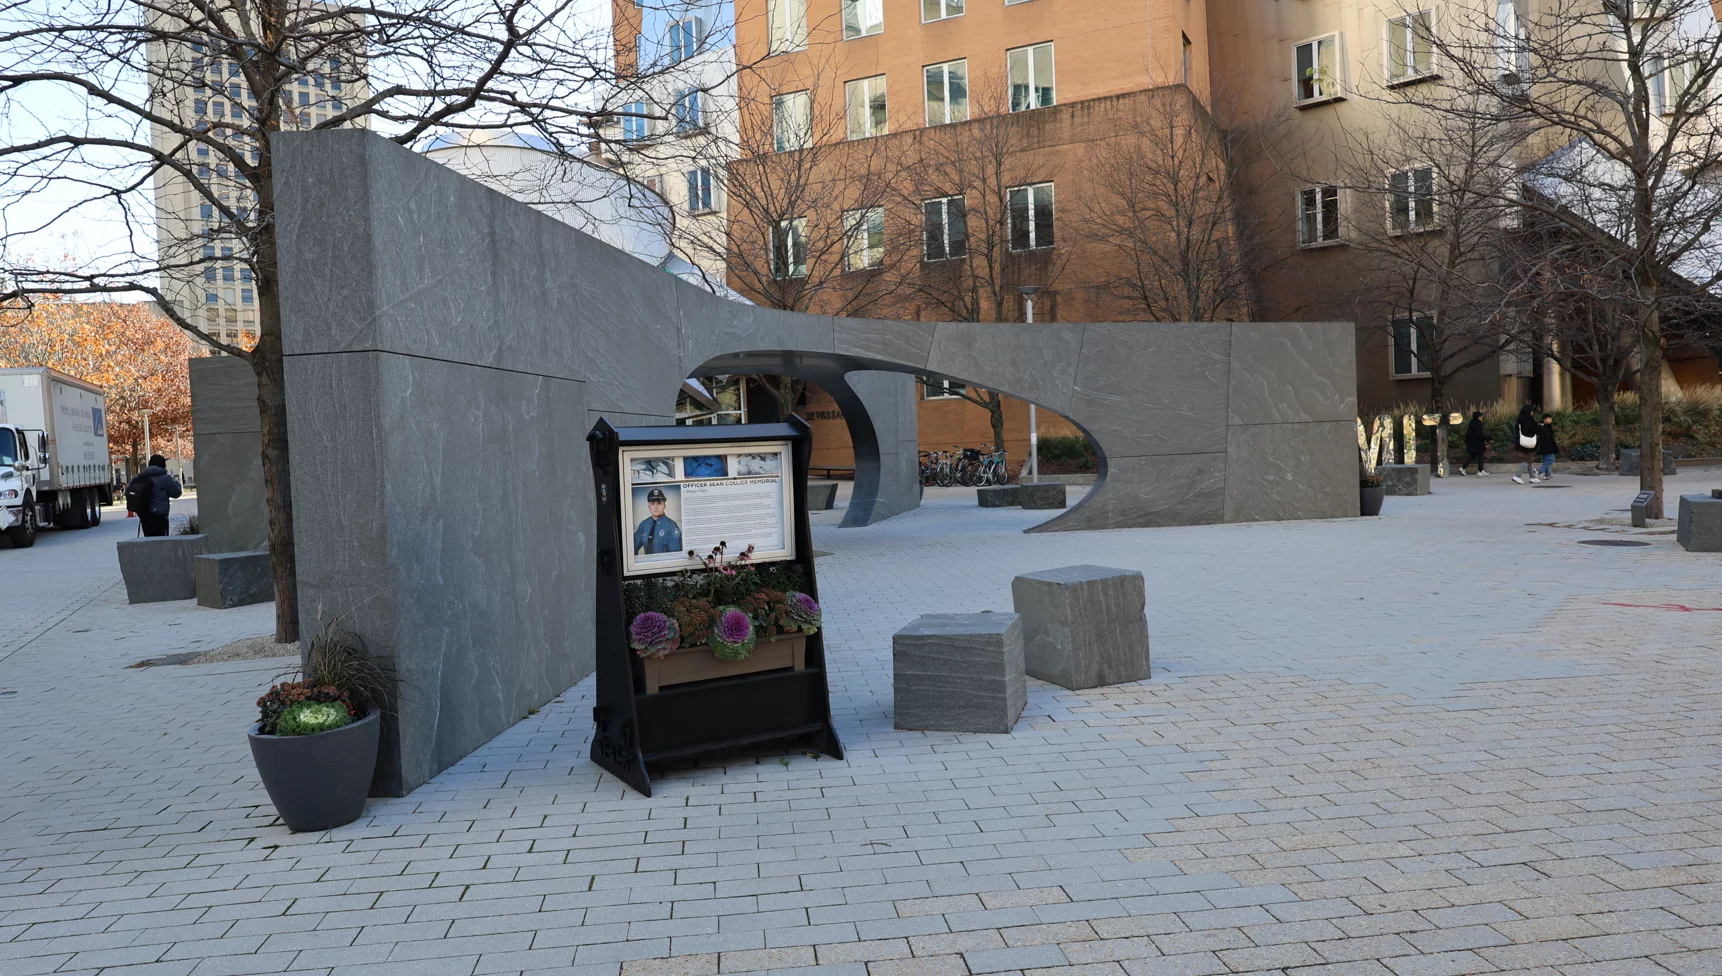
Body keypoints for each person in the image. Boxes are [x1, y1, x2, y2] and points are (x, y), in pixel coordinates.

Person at [125, 453, 182, 537]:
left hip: (144, 514)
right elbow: (176, 493)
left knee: (149, 540)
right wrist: (177, 483)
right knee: (162, 542)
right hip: (160, 515)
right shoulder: (165, 478)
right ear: (163, 465)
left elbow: (127, 491)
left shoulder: (139, 477)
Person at [633, 487, 682, 556]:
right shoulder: (644, 525)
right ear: (649, 507)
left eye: (659, 503)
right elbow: (632, 549)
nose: (656, 507)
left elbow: (676, 556)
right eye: (652, 503)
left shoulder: (671, 526)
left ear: (664, 506)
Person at [1511, 403, 1541, 484]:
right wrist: (1539, 426)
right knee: (1528, 459)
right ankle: (1517, 476)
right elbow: (1534, 429)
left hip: (1522, 441)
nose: (1532, 413)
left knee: (1529, 459)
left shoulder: (1520, 419)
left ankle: (1532, 477)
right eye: (1532, 411)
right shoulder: (1530, 419)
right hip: (1529, 441)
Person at [1461, 411, 1489, 476]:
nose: (1482, 418)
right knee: (1480, 456)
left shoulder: (1472, 423)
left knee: (1472, 456)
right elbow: (1480, 435)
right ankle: (1480, 471)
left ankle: (1463, 468)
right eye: (1481, 416)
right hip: (1478, 443)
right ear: (1479, 417)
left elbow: (1468, 435)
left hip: (1472, 443)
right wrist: (1488, 438)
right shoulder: (1478, 424)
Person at [1537, 414, 1558, 480]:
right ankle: (1539, 471)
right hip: (1545, 446)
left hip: (1548, 446)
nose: (1550, 420)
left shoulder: (1548, 426)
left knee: (1546, 460)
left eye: (1551, 419)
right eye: (1548, 419)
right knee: (1552, 459)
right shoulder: (1541, 426)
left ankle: (1547, 474)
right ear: (1544, 419)